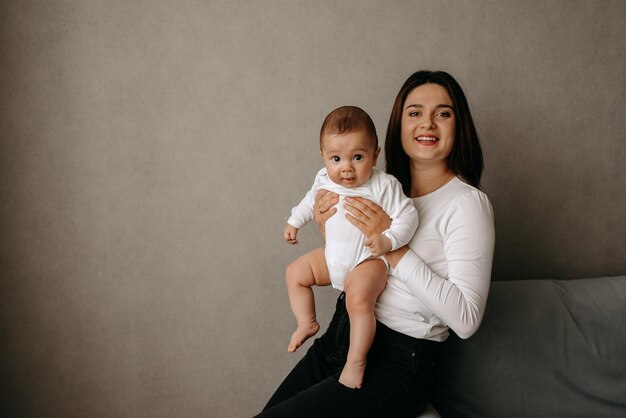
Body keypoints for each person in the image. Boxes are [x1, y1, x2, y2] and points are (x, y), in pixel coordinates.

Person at [256, 70, 495, 417]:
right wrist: (326, 226)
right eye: (414, 113)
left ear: (459, 127)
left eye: (443, 113)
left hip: (398, 360)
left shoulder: (466, 203)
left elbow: (467, 319)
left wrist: (394, 246)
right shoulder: (381, 185)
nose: (427, 124)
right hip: (342, 334)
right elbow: (353, 259)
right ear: (399, 124)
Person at [284, 106, 418, 389]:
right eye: (336, 158)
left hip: (367, 260)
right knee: (295, 273)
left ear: (375, 155)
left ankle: (356, 361)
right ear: (323, 156)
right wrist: (294, 222)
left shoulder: (384, 185)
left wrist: (389, 240)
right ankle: (307, 322)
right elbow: (310, 202)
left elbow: (409, 215)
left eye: (358, 157)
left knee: (357, 302)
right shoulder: (323, 179)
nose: (346, 167)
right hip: (333, 255)